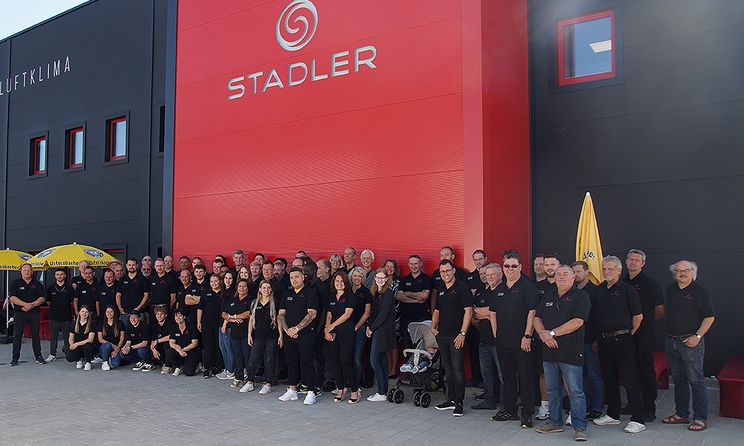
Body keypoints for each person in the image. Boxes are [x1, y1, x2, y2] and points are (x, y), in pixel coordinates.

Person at [533, 265, 590, 441]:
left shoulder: (581, 296)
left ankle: (580, 427)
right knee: (552, 389)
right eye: (558, 274)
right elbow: (537, 317)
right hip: (549, 352)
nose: (562, 276)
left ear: (574, 277)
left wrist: (551, 333)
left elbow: (578, 321)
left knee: (575, 390)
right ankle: (555, 422)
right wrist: (543, 334)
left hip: (570, 352)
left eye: (566, 273)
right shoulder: (549, 295)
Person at [592, 256, 646, 433]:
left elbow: (638, 317)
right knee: (609, 378)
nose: (607, 271)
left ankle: (638, 418)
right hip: (603, 340)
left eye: (610, 269)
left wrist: (627, 334)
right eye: (604, 268)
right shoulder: (599, 290)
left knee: (630, 379)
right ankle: (613, 415)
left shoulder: (627, 289)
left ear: (619, 270)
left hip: (622, 340)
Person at [661, 260, 715, 432]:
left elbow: (709, 317)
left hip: (690, 342)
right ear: (674, 273)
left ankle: (700, 418)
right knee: (679, 380)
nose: (682, 273)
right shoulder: (670, 289)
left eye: (686, 270)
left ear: (693, 272)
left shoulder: (700, 292)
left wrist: (697, 336)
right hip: (672, 341)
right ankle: (681, 414)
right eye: (678, 270)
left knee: (696, 380)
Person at [491, 251, 538, 428]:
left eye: (513, 266)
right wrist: (496, 335)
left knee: (525, 378)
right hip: (503, 342)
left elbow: (532, 313)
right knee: (508, 378)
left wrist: (527, 336)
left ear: (520, 267)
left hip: (522, 342)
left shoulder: (527, 287)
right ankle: (510, 410)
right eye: (507, 266)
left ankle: (527, 414)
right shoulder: (500, 288)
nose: (510, 269)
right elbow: (492, 313)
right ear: (503, 268)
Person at [622, 249, 665, 422]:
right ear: (626, 261)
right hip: (626, 334)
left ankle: (649, 408)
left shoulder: (650, 283)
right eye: (631, 259)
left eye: (637, 260)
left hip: (644, 334)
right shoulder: (621, 282)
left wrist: (646, 325)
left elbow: (659, 309)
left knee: (645, 371)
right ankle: (633, 404)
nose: (633, 262)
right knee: (628, 372)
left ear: (643, 263)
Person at [431, 259, 473, 417]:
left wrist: (462, 333)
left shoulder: (462, 288)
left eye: (448, 271)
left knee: (457, 370)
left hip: (457, 337)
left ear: (453, 270)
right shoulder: (441, 289)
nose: (445, 274)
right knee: (448, 369)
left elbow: (468, 311)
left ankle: (459, 403)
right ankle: (450, 400)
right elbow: (437, 311)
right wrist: (433, 327)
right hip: (442, 336)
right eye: (442, 272)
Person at [278, 267, 320, 405]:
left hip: (306, 335)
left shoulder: (310, 293)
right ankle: (292, 390)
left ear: (303, 277)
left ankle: (311, 392)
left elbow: (312, 314)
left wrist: (297, 328)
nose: (294, 280)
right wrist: (288, 330)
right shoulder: (287, 293)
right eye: (291, 277)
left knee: (307, 362)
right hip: (290, 335)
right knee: (291, 362)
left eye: (296, 277)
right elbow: (281, 314)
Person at [572, 261, 603, 420]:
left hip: (591, 340)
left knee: (594, 375)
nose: (575, 274)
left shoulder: (595, 291)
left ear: (587, 272)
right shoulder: (571, 291)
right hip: (575, 342)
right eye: (573, 271)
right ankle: (583, 407)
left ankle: (597, 408)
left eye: (578, 271)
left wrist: (598, 339)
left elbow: (600, 317)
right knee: (579, 376)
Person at [472, 263, 504, 411]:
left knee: (502, 373)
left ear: (500, 275)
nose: (489, 277)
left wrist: (490, 313)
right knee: (486, 373)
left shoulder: (503, 291)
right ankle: (489, 401)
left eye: (492, 274)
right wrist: (490, 313)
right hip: (484, 339)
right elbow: (476, 312)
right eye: (486, 274)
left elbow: (498, 314)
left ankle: (505, 404)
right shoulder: (483, 292)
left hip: (499, 341)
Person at [324, 271, 360, 403]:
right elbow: (328, 314)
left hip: (346, 333)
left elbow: (347, 315)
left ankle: (355, 391)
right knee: (334, 362)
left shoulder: (350, 296)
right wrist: (327, 329)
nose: (339, 284)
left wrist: (332, 326)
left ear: (346, 283)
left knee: (346, 361)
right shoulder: (332, 297)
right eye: (336, 281)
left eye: (341, 281)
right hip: (333, 333)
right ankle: (340, 389)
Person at [243, 280, 283, 394]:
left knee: (270, 361)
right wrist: (249, 334)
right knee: (252, 361)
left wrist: (280, 335)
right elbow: (251, 319)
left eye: (268, 288)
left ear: (271, 290)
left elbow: (279, 319)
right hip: (258, 337)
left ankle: (268, 384)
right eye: (264, 288)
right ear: (260, 289)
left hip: (272, 337)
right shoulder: (254, 303)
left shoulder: (275, 302)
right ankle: (250, 382)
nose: (266, 290)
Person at [366, 268, 396, 402]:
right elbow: (373, 313)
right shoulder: (375, 293)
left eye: (382, 278)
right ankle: (383, 391)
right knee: (382, 361)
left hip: (383, 331)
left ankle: (381, 391)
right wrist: (369, 327)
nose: (380, 280)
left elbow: (383, 314)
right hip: (377, 330)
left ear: (387, 279)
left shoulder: (388, 292)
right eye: (377, 277)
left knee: (374, 361)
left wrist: (371, 328)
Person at [8, 263, 46, 366]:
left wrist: (31, 305)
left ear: (32, 272)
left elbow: (42, 298)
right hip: (20, 313)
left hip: (34, 313)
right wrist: (25, 304)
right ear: (21, 271)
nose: (27, 272)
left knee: (35, 335)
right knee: (18, 336)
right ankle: (15, 358)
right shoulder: (16, 283)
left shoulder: (37, 284)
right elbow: (12, 298)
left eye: (29, 270)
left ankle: (38, 356)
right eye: (24, 270)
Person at [396, 255, 432, 348]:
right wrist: (416, 300)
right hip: (406, 318)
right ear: (408, 264)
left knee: (422, 345)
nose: (413, 266)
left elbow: (424, 296)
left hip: (422, 317)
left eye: (416, 263)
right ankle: (409, 363)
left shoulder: (427, 279)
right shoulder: (404, 280)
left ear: (421, 264)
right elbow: (399, 296)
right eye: (411, 264)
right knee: (408, 345)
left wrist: (407, 293)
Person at [223, 279, 251, 387]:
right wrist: (231, 320)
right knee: (238, 356)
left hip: (246, 333)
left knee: (247, 356)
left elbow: (248, 313)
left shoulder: (250, 299)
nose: (242, 288)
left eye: (244, 286)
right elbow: (224, 313)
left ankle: (249, 378)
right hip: (234, 333)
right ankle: (238, 377)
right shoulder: (233, 299)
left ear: (247, 288)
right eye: (240, 286)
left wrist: (234, 316)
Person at [198, 274, 225, 378]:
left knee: (218, 347)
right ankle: (206, 368)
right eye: (211, 281)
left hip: (218, 324)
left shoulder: (223, 293)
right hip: (206, 324)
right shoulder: (205, 293)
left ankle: (216, 367)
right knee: (207, 347)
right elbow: (200, 308)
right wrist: (198, 322)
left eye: (216, 281)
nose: (214, 283)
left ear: (220, 282)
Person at [349, 266, 372, 387]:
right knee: (348, 357)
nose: (357, 278)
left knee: (357, 357)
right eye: (355, 276)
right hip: (347, 328)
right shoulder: (347, 291)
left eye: (359, 276)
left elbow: (367, 313)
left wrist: (357, 326)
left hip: (360, 328)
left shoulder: (366, 292)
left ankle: (356, 384)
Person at [46, 268, 75, 362]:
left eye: (61, 274)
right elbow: (48, 301)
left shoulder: (69, 288)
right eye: (57, 274)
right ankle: (52, 354)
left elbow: (72, 302)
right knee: (53, 337)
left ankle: (68, 354)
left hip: (66, 316)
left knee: (67, 337)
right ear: (55, 276)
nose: (59, 276)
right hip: (53, 316)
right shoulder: (50, 287)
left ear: (65, 276)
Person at [166, 308, 201, 376]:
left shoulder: (191, 327)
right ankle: (178, 366)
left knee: (189, 372)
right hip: (181, 351)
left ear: (184, 317)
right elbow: (171, 342)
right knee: (169, 352)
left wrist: (183, 349)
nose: (178, 318)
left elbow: (194, 344)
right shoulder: (174, 327)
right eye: (176, 316)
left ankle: (196, 364)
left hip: (192, 351)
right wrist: (179, 350)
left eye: (180, 316)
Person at [115, 258, 150, 324]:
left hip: (138, 313)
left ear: (137, 266)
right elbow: (118, 295)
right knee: (123, 332)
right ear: (126, 266)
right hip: (124, 313)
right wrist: (119, 307)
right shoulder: (122, 279)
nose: (131, 267)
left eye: (133, 265)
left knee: (139, 332)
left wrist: (139, 307)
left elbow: (146, 295)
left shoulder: (142, 279)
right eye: (129, 265)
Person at [65, 305, 97, 370]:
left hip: (87, 346)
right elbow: (71, 338)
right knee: (69, 357)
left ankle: (88, 363)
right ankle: (78, 360)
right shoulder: (74, 324)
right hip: (78, 347)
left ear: (88, 313)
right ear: (79, 312)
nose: (84, 314)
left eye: (86, 312)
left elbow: (90, 340)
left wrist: (76, 344)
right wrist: (72, 345)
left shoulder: (92, 324)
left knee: (87, 345)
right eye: (82, 311)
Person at [98, 305, 125, 370]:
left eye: (111, 312)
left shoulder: (120, 323)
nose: (109, 314)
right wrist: (112, 345)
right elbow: (100, 339)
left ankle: (108, 358)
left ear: (114, 312)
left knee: (115, 364)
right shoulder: (101, 323)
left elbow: (122, 339)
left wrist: (117, 349)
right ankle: (105, 362)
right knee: (107, 345)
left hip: (116, 347)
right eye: (107, 312)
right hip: (104, 347)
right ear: (105, 313)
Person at [149, 305, 172, 372]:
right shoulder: (154, 326)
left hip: (169, 345)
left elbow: (171, 337)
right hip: (159, 346)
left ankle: (168, 365)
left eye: (161, 314)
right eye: (157, 314)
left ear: (165, 315)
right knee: (152, 350)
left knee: (166, 344)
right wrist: (153, 350)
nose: (159, 316)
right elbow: (153, 340)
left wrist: (158, 341)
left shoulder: (170, 323)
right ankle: (163, 362)